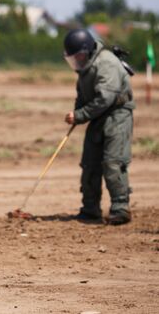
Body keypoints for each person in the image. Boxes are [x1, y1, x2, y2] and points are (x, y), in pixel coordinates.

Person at [63, 29, 134, 225]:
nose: (75, 62)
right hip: (97, 118)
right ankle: (90, 208)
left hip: (117, 116)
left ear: (86, 51)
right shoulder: (85, 69)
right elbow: (83, 96)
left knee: (112, 162)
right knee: (89, 164)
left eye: (77, 57)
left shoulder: (106, 63)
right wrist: (77, 114)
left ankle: (120, 208)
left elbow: (105, 98)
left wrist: (80, 115)